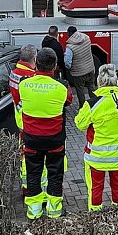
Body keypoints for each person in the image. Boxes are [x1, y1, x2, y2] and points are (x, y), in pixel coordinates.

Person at [19, 48, 72, 219]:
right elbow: (68, 101)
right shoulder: (62, 87)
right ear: (55, 65)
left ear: (36, 63)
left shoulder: (23, 84)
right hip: (55, 140)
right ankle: (54, 210)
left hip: (31, 140)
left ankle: (34, 211)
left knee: (33, 173)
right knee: (55, 174)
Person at [74, 64, 118, 212]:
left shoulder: (92, 104)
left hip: (96, 158)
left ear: (99, 80)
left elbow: (80, 124)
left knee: (95, 189)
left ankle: (96, 217)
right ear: (116, 80)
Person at [10, 44, 38, 196]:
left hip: (20, 120)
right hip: (29, 122)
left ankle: (25, 186)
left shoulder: (14, 72)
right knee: (31, 157)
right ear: (34, 58)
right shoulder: (28, 77)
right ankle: (32, 188)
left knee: (23, 156)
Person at [65, 25, 96, 106]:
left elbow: (67, 63)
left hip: (79, 73)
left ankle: (82, 107)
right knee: (91, 87)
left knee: (80, 90)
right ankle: (94, 106)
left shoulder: (69, 47)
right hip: (90, 69)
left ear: (69, 33)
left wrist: (69, 69)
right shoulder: (86, 37)